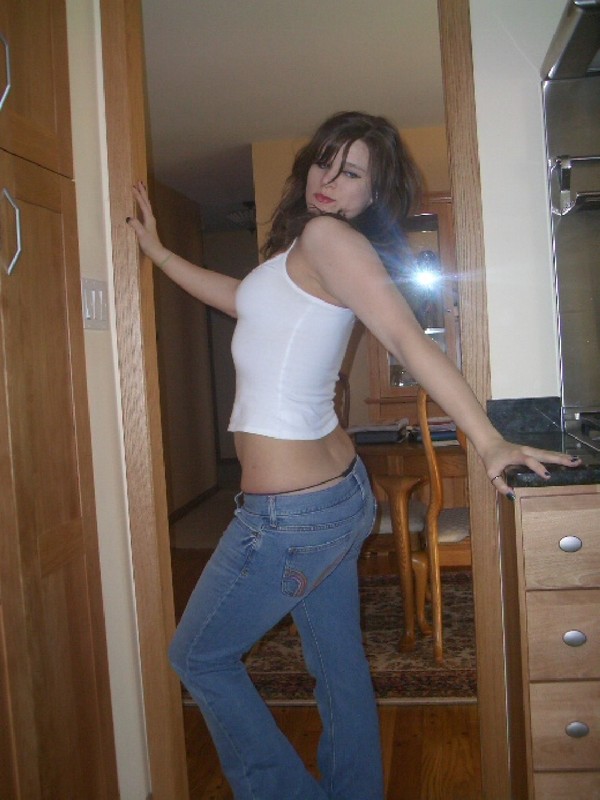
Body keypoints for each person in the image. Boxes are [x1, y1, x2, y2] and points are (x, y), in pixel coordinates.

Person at [127, 111, 581, 800]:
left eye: (351, 173)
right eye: (325, 162)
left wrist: (488, 440)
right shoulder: (300, 253)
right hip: (333, 503)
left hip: (290, 517)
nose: (330, 180)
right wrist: (159, 255)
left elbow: (405, 338)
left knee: (198, 655)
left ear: (373, 193)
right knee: (337, 667)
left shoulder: (328, 238)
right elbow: (240, 299)